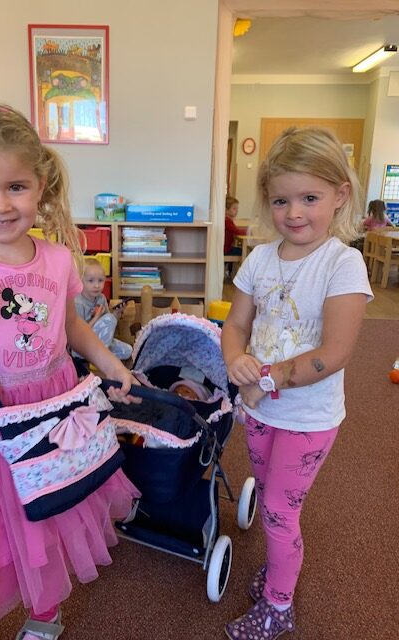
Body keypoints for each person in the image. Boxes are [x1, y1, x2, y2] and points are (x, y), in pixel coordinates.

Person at [0, 103, 140, 640]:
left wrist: (110, 363)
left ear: (41, 185)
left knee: (52, 508)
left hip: (54, 404)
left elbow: (70, 325)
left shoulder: (58, 258)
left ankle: (45, 613)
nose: (0, 204)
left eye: (16, 186)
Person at [221, 127, 372, 640]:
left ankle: (278, 605)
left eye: (310, 198)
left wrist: (265, 377)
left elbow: (335, 353)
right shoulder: (260, 258)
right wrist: (236, 358)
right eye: (281, 200)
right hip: (261, 410)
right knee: (270, 500)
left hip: (309, 418)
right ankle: (279, 569)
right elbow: (235, 324)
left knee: (281, 512)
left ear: (340, 195)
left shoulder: (342, 263)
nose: (294, 213)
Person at [74, 257, 132, 361]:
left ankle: (98, 356)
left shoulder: (101, 298)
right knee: (110, 318)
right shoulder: (78, 302)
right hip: (81, 345)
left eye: (100, 281)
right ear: (80, 281)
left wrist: (116, 313)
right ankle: (100, 359)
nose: (96, 285)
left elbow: (107, 326)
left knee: (128, 351)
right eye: (91, 281)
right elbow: (78, 333)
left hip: (98, 342)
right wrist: (96, 318)